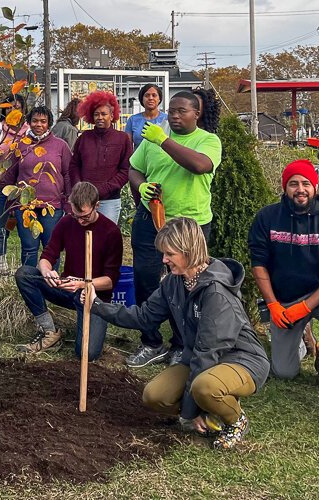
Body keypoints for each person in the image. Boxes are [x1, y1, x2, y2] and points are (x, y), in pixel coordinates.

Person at [83, 217, 269, 449]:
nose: (164, 259)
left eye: (169, 253)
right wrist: (97, 305)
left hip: (241, 360)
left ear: (189, 251)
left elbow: (207, 354)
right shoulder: (174, 282)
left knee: (205, 387)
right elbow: (143, 316)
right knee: (155, 396)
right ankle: (209, 408)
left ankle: (235, 420)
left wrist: (190, 412)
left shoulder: (216, 294)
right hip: (200, 358)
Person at [126, 91, 222, 368]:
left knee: (187, 283)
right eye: (172, 111)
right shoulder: (152, 140)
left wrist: (164, 140)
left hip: (189, 224)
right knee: (145, 277)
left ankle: (181, 344)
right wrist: (141, 186)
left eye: (182, 111)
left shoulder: (207, 141)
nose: (175, 116)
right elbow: (134, 168)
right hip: (152, 217)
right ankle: (151, 341)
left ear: (196, 114)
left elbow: (200, 166)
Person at [248, 159, 319, 391]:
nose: (300, 189)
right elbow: (259, 263)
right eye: (293, 184)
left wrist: (305, 307)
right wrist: (273, 304)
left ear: (316, 187)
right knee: (285, 372)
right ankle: (303, 336)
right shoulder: (267, 218)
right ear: (285, 187)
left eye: (306, 183)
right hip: (283, 300)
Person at [14, 182, 122, 361]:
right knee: (24, 274)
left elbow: (110, 281)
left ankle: (91, 326)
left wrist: (82, 283)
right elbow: (47, 256)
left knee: (87, 354)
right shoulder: (67, 222)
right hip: (67, 288)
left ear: (97, 206)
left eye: (85, 217)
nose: (80, 221)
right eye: (76, 215)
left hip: (94, 297)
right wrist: (47, 271)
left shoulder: (111, 232)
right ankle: (50, 331)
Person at [0, 106, 72, 268]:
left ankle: (50, 285)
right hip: (25, 207)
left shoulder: (60, 146)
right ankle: (29, 283)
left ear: (49, 124)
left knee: (51, 248)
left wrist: (68, 202)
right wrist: (10, 202)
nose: (39, 125)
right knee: (29, 248)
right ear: (29, 122)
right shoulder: (20, 145)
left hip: (51, 207)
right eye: (35, 121)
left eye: (43, 121)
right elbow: (10, 175)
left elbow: (68, 174)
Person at [70, 91, 132, 224]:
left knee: (105, 238)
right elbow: (74, 165)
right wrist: (79, 187)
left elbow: (126, 170)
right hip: (84, 199)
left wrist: (103, 189)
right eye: (96, 114)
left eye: (104, 114)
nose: (100, 117)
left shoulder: (122, 138)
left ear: (112, 115)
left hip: (109, 200)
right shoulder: (84, 138)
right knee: (84, 237)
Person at [0, 94, 29, 274]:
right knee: (0, 226)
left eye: (17, 107)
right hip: (2, 185)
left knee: (24, 226)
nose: (12, 110)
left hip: (25, 188)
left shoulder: (29, 131)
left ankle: (26, 266)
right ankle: (0, 263)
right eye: (8, 107)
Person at [124, 84, 167, 148]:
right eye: (147, 95)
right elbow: (128, 146)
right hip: (138, 158)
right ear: (142, 99)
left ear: (159, 99)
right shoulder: (133, 120)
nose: (150, 98)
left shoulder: (167, 119)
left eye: (154, 95)